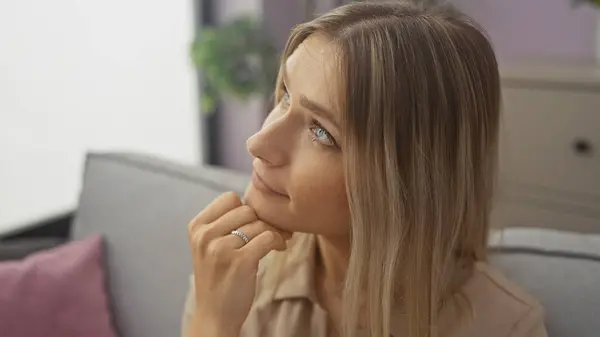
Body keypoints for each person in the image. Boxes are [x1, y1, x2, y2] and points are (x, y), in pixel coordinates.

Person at [182, 1, 547, 337]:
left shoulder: (504, 326)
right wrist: (212, 322)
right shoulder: (231, 271)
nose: (258, 143)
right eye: (286, 97)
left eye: (321, 132)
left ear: (408, 178)